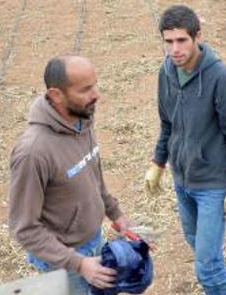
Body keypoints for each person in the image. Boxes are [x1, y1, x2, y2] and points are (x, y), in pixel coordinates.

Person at [144, 5, 226, 295]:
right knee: (199, 246)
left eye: (182, 41)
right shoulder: (166, 72)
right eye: (168, 42)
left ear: (197, 37)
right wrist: (158, 162)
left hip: (212, 184)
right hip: (183, 179)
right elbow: (167, 124)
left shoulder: (221, 78)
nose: (174, 49)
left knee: (207, 266)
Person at [9, 56, 134, 294]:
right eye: (86, 89)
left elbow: (92, 177)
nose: (97, 94)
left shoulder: (81, 121)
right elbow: (25, 229)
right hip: (64, 261)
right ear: (56, 95)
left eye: (95, 85)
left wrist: (117, 215)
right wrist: (79, 264)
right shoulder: (33, 153)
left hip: (93, 240)